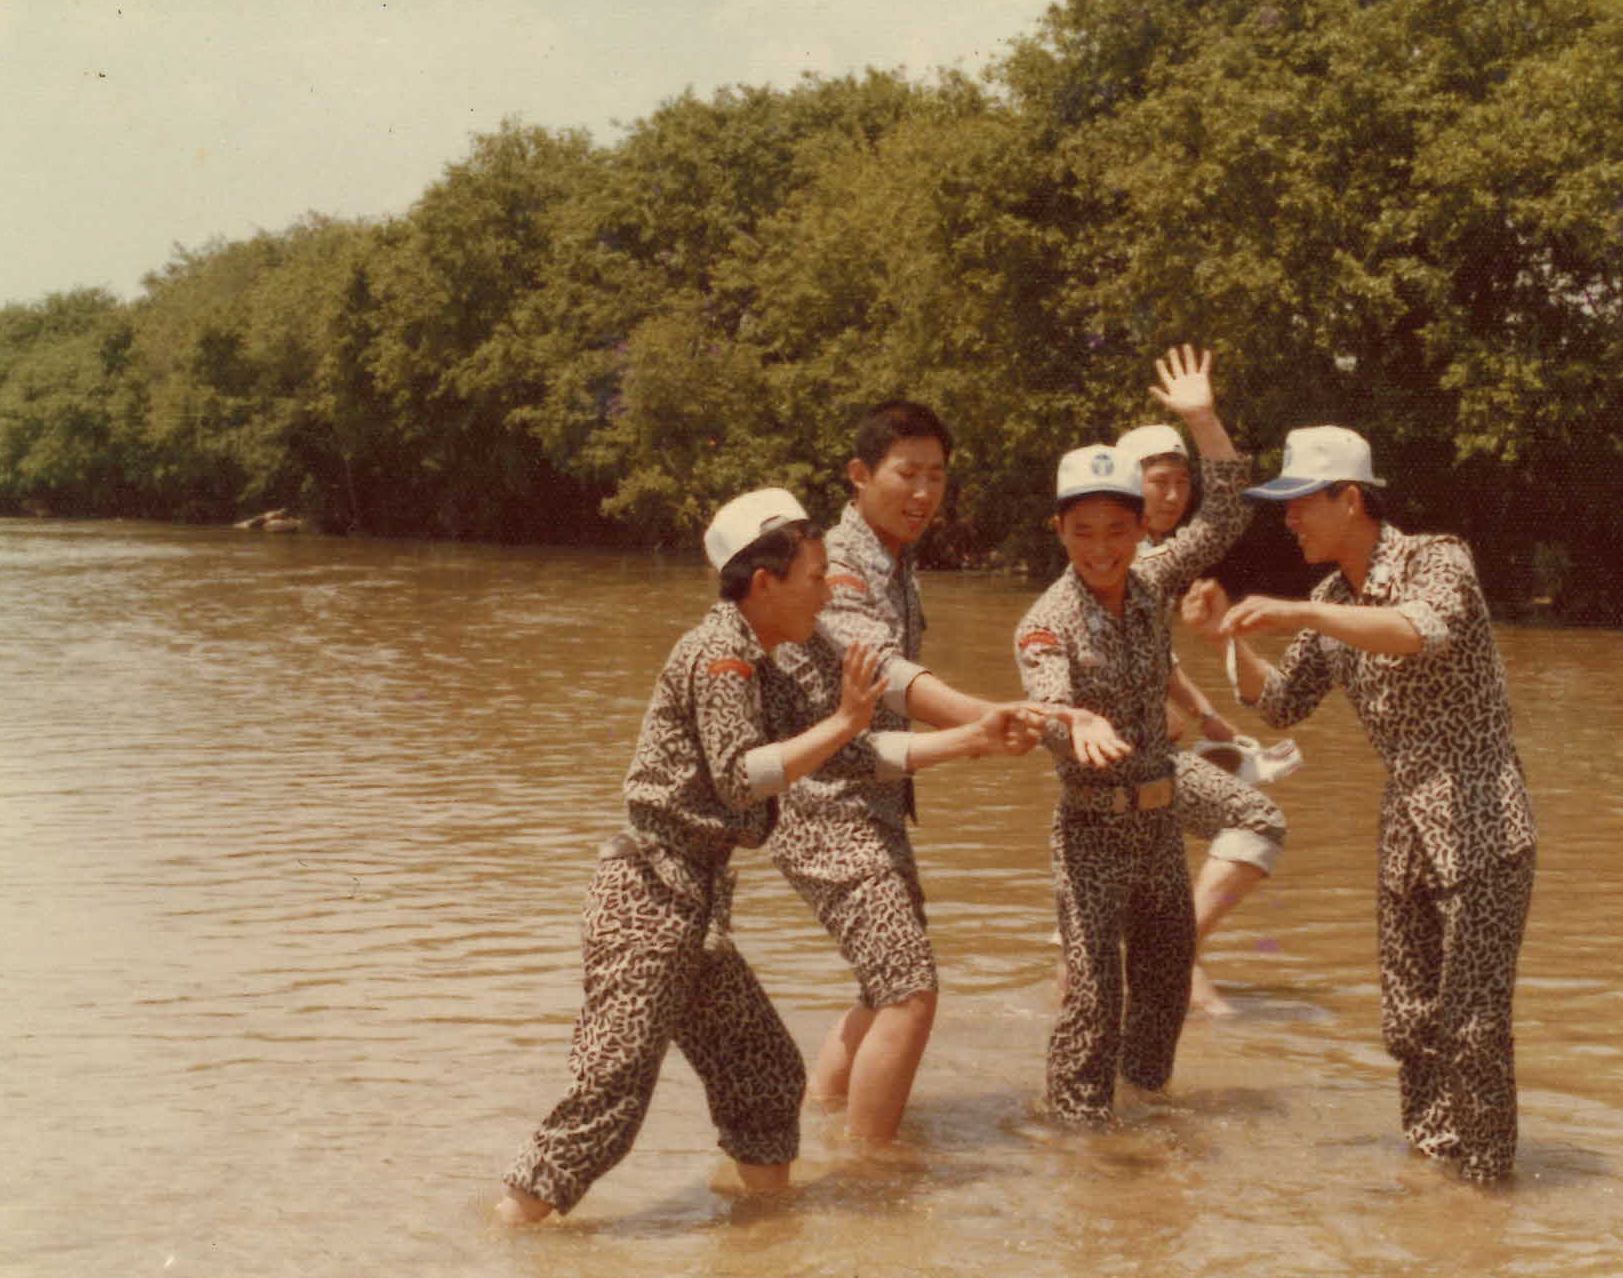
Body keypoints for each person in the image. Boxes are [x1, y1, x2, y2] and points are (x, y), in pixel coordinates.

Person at [499, 488, 1040, 1223]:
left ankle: (766, 1242)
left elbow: (852, 754)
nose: (827, 592)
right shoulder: (719, 654)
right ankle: (508, 1240)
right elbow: (740, 775)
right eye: (815, 577)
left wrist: (973, 739)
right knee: (609, 1094)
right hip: (647, 899)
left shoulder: (774, 660)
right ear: (764, 583)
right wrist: (845, 720)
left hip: (696, 904)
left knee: (764, 1074)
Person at [1180, 426, 1536, 1184]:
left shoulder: (1437, 559)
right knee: (1409, 1021)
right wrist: (1223, 638)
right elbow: (1280, 703)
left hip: (1481, 817)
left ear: (1350, 499)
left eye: (1299, 504)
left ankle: (1486, 1186)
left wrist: (1301, 616)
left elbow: (1418, 630)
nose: (1288, 520)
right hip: (1407, 825)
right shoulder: (1331, 598)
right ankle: (1435, 1175)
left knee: (1472, 1027)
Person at [769, 400, 1049, 1146]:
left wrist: (985, 727)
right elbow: (884, 672)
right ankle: (870, 1173)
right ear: (860, 475)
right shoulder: (836, 562)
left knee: (884, 985)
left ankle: (821, 1126)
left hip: (875, 799)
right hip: (826, 807)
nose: (924, 492)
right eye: (907, 474)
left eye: (937, 475)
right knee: (910, 992)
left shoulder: (896, 560)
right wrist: (977, 717)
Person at [1013, 345, 1253, 1126]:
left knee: (1162, 993)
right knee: (1092, 1002)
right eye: (1084, 531)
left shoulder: (1151, 580)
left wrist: (1203, 419)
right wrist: (1072, 721)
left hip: (1159, 825)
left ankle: (1142, 1138)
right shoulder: (1045, 622)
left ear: (1140, 525)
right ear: (1059, 530)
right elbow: (1045, 705)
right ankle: (1073, 1141)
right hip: (1090, 832)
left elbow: (1227, 513)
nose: (1102, 548)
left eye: (1118, 529)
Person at [1118, 421, 1289, 1017]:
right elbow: (1225, 515)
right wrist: (1203, 418)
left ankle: (1175, 973)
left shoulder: (1128, 556)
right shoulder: (1141, 559)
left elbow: (1155, 656)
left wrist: (1205, 714)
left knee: (1130, 912)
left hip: (1126, 757)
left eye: (1181, 482)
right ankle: (1173, 957)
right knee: (1257, 819)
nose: (1173, 496)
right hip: (1134, 758)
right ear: (1128, 485)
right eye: (1159, 482)